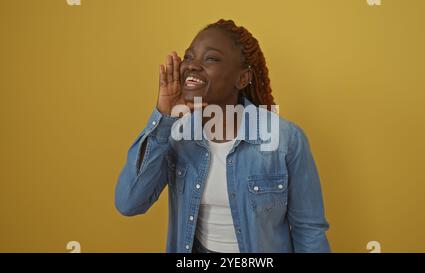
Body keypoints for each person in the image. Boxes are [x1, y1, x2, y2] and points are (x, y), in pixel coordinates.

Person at [115, 19, 330, 253]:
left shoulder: (286, 139)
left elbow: (308, 230)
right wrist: (163, 117)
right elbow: (129, 202)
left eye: (211, 59)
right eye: (189, 56)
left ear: (242, 78)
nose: (193, 65)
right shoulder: (177, 133)